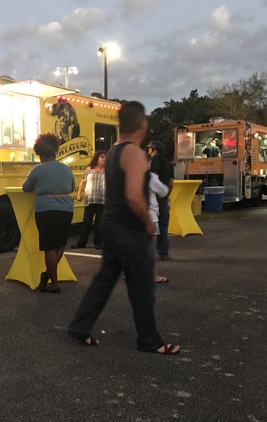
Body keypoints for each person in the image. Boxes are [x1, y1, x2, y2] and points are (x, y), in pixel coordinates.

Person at [68, 101, 180, 354]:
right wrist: (149, 222)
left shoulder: (114, 150)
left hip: (110, 223)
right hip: (130, 228)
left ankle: (80, 326)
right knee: (142, 288)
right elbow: (133, 195)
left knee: (104, 280)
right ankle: (149, 340)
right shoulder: (134, 153)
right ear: (142, 124)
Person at [22, 133, 75, 294]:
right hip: (66, 209)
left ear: (41, 154)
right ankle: (47, 275)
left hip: (45, 209)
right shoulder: (66, 169)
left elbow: (26, 188)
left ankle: (54, 283)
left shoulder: (37, 170)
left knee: (49, 248)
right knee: (61, 243)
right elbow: (71, 188)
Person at [71, 150, 107, 250]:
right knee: (86, 223)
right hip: (90, 200)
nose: (103, 159)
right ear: (97, 158)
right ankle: (81, 242)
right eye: (102, 157)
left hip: (102, 200)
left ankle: (98, 243)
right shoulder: (89, 169)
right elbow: (82, 182)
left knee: (99, 223)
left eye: (105, 157)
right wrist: (79, 193)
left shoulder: (108, 170)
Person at [149, 141, 174, 261]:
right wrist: (165, 195)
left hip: (153, 198)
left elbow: (153, 179)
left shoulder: (153, 161)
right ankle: (164, 252)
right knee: (163, 225)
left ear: (153, 149)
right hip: (164, 197)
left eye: (149, 147)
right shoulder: (168, 163)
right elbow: (171, 183)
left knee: (151, 226)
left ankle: (146, 254)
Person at [148, 171, 169, 283]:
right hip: (150, 216)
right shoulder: (149, 176)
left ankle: (130, 273)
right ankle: (153, 276)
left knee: (133, 247)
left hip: (132, 216)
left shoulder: (127, 174)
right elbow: (163, 191)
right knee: (150, 248)